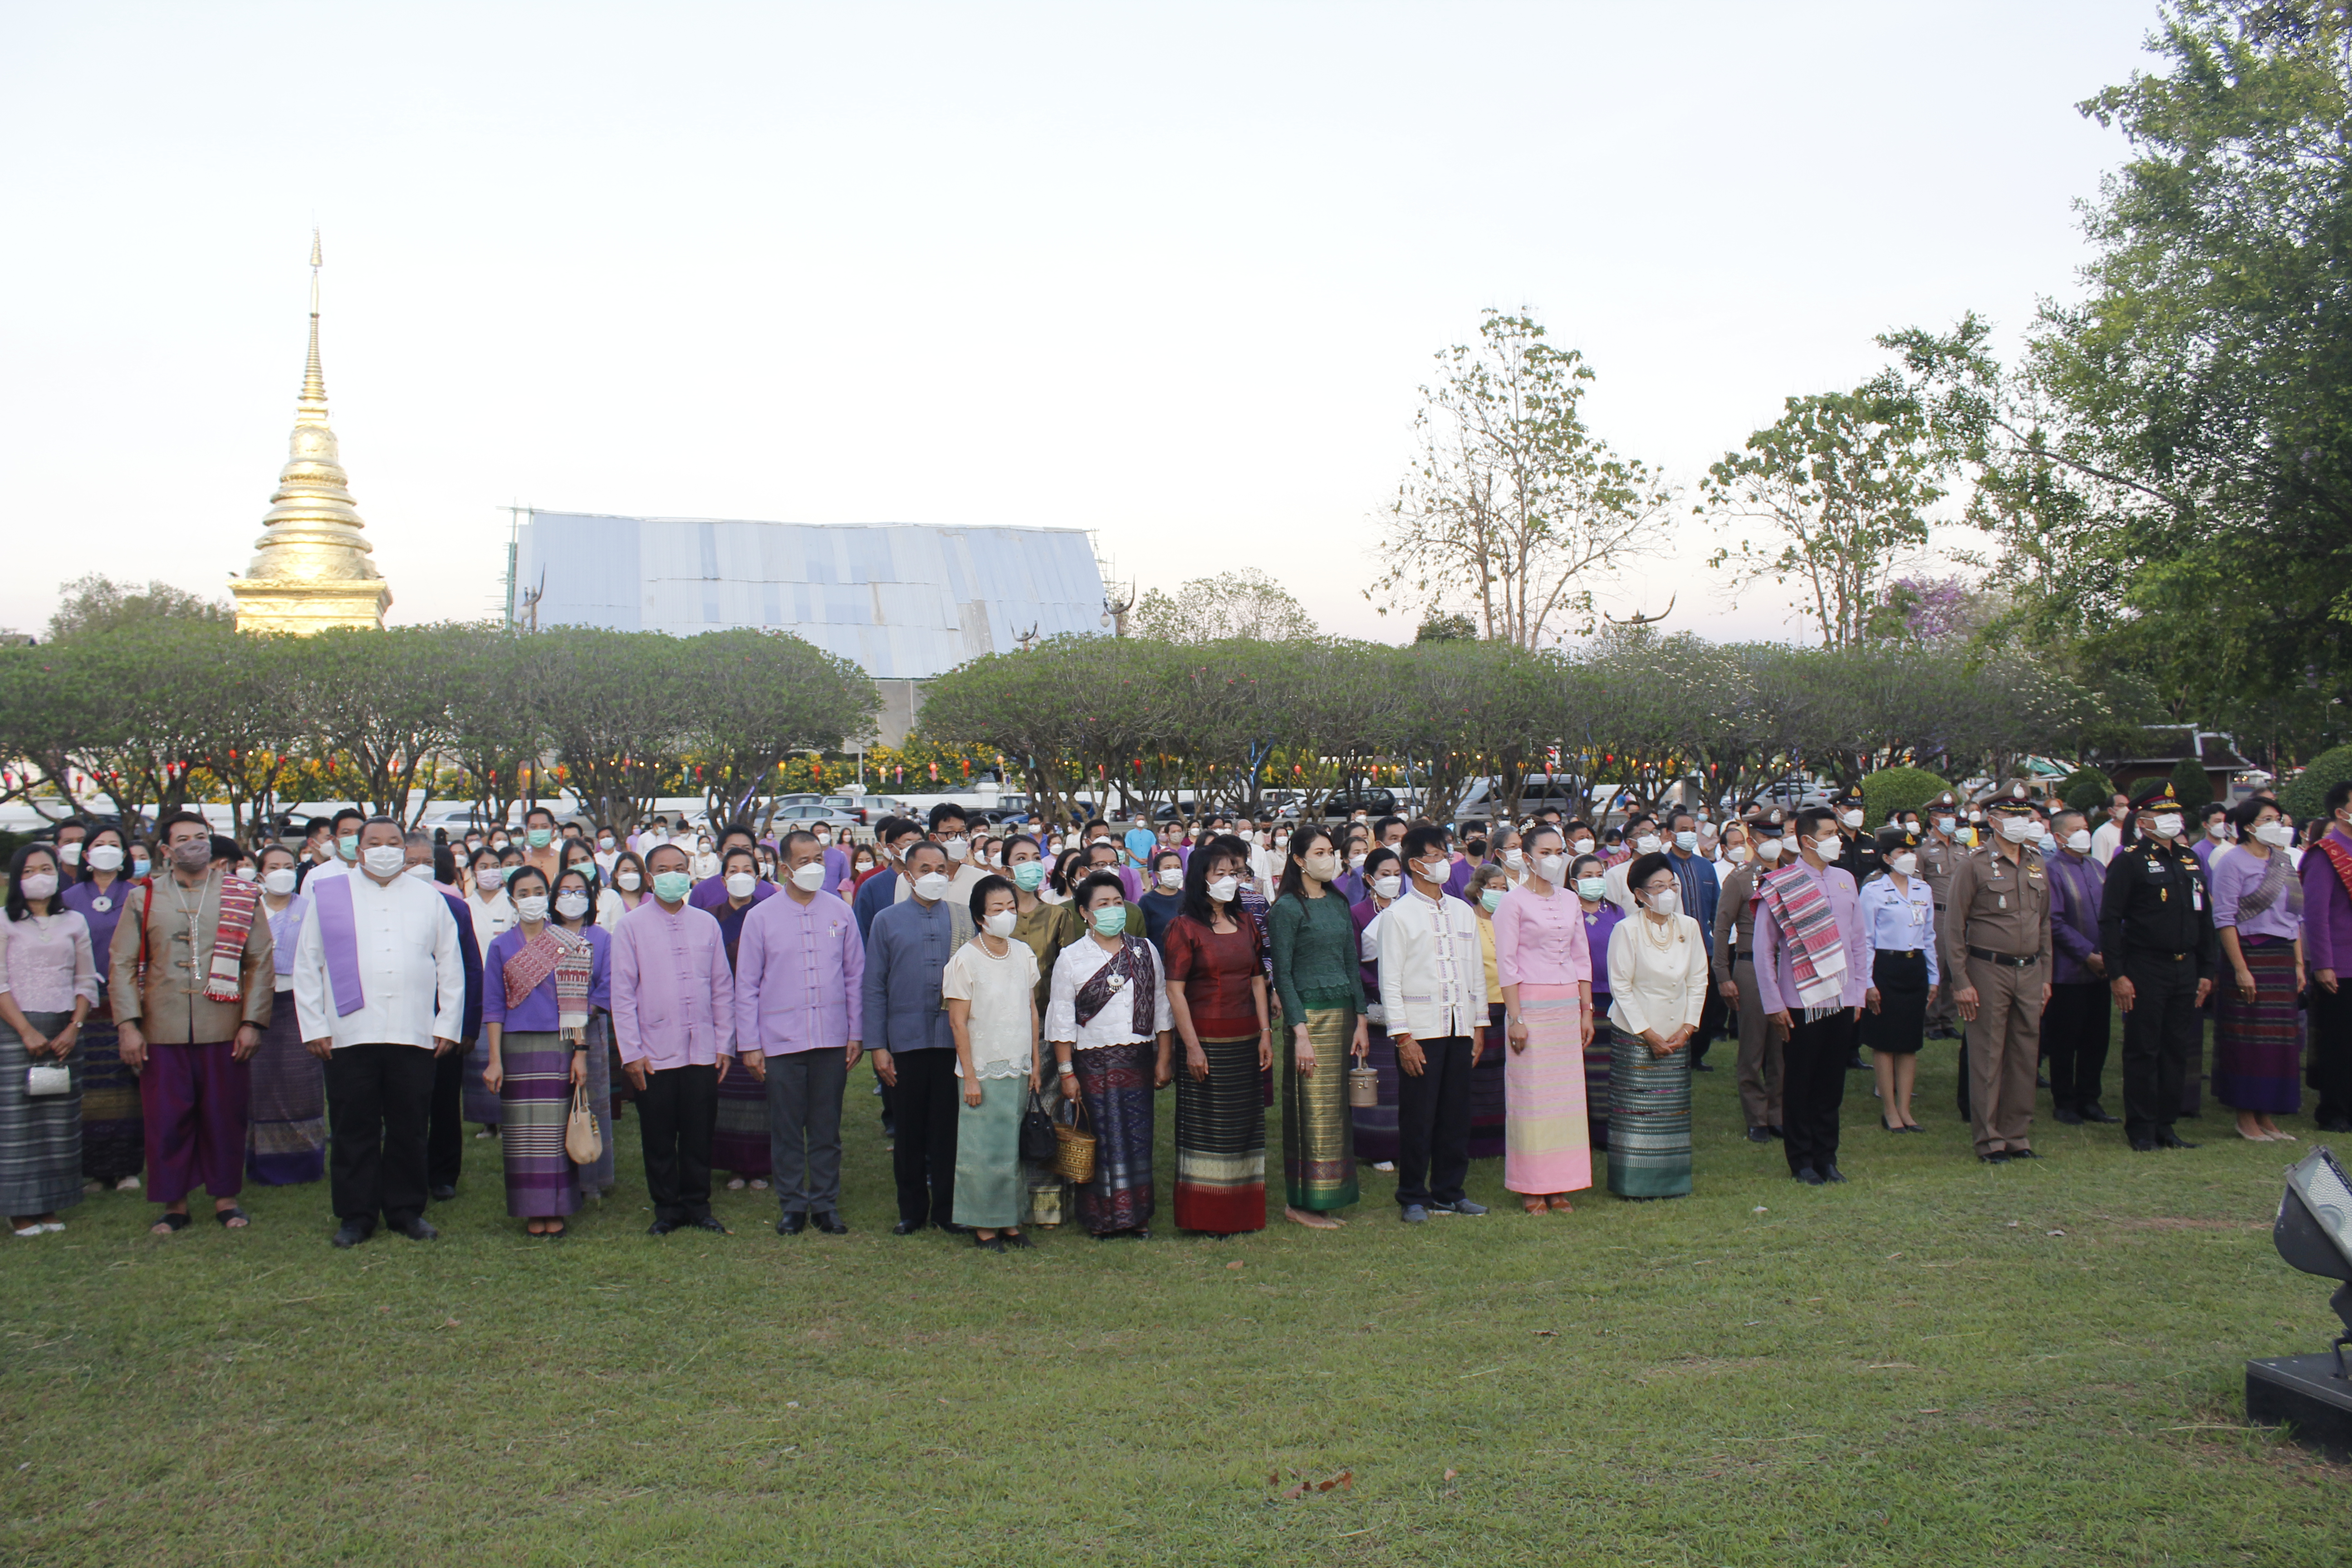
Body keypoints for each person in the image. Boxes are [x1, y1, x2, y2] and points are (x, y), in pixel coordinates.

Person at [292, 816, 467, 1246]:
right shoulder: (330, 896)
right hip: (349, 1031)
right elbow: (307, 963)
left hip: (413, 1030)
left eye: (393, 842)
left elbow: (450, 964)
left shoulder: (428, 898)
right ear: (358, 850)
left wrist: (448, 1023)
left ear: (405, 850)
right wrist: (314, 1025)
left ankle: (406, 1211)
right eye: (374, 842)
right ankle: (356, 1215)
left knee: (410, 1125)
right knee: (354, 1126)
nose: (384, 850)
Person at [109, 811, 274, 1234]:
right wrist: (128, 1025)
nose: (194, 845)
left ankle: (226, 1199)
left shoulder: (240, 894)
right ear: (167, 850)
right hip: (160, 1027)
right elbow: (122, 963)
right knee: (167, 1118)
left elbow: (259, 960)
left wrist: (253, 1022)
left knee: (225, 1114)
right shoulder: (144, 897)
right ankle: (175, 1204)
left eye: (201, 836)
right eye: (183, 839)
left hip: (224, 1024)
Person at [735, 829, 866, 1236]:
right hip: (780, 1040)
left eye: (819, 860)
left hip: (831, 1038)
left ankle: (825, 1204)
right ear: (784, 868)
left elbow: (855, 976)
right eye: (804, 861)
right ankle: (793, 1204)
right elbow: (747, 985)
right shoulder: (761, 917)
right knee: (787, 1128)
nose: (813, 868)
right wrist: (750, 1044)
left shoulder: (840, 912)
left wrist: (856, 1033)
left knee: (826, 1128)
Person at [612, 843, 735, 1234]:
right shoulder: (631, 926)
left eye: (680, 868)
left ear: (690, 873)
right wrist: (631, 1052)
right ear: (650, 879)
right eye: (664, 870)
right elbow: (622, 994)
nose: (673, 875)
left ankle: (698, 1205)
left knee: (699, 1132)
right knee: (659, 1134)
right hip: (653, 1051)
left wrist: (724, 1044)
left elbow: (722, 987)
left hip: (701, 1049)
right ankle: (667, 1208)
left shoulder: (706, 923)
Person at [1046, 870, 1175, 1239]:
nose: (1113, 910)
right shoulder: (1071, 958)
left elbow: (1162, 1008)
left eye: (1118, 902)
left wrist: (1164, 1058)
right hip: (1093, 1063)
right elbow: (1061, 1019)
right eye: (1103, 904)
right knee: (1102, 1139)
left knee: (1137, 1139)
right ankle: (1103, 1218)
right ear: (1085, 913)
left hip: (1138, 1060)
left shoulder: (1144, 950)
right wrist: (1067, 1073)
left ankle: (1137, 1216)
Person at [1377, 824, 1489, 1224]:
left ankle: (1449, 1193)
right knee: (1419, 1117)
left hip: (1460, 1026)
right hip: (1421, 1030)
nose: (1445, 862)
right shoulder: (1398, 915)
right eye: (1436, 856)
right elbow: (1390, 981)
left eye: (1446, 854)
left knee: (1456, 1114)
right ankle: (1412, 1195)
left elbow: (1476, 973)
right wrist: (1403, 1037)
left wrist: (1479, 1026)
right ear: (1415, 864)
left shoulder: (1462, 910)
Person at [2098, 782, 2218, 1152]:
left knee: (2176, 1048)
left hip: (2185, 966)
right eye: (2163, 814)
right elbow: (2110, 920)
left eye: (2175, 813)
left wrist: (2207, 970)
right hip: (2146, 966)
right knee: (2144, 1049)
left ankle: (2167, 1125)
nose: (2173, 820)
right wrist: (2118, 974)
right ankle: (2142, 1128)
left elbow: (2205, 918)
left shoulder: (2189, 859)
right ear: (2144, 821)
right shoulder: (2130, 860)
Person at [1752, 807, 1868, 1186]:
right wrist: (1773, 1003)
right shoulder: (1781, 884)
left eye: (1837, 833)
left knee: (1831, 1084)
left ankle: (1826, 1157)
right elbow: (1764, 950)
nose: (1837, 840)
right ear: (1806, 840)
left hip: (1842, 997)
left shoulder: (1846, 880)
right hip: (1800, 1000)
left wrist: (1859, 993)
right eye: (1830, 834)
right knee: (1800, 1082)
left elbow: (1859, 941)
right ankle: (1801, 1160)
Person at [1163, 840, 1272, 1237]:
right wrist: (1192, 1047)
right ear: (1201, 879)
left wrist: (1265, 1033)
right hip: (1205, 1040)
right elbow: (1175, 991)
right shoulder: (1184, 929)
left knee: (1244, 1125)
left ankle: (1242, 1211)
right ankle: (1206, 1216)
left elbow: (1257, 980)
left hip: (1246, 1038)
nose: (1230, 880)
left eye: (1234, 873)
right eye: (1220, 874)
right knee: (1208, 1128)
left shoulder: (1246, 923)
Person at [481, 865, 597, 1237]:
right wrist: (495, 1060)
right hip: (515, 1048)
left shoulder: (569, 942)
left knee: (556, 1132)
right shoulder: (500, 946)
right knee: (523, 1134)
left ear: (548, 896)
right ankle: (531, 1208)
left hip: (559, 1045)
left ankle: (558, 1207)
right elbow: (493, 1006)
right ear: (512, 899)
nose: (531, 899)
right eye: (523, 893)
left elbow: (578, 1006)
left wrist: (580, 1053)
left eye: (538, 892)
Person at [1941, 790, 2052, 1164]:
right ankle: (1989, 1140)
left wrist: (2047, 974)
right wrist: (1961, 981)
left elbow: (2044, 923)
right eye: (2012, 815)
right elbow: (1954, 928)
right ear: (1993, 821)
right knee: (1988, 1055)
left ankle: (2016, 1134)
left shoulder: (2036, 862)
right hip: (1988, 969)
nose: (2021, 822)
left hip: (2030, 970)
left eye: (2025, 815)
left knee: (2025, 1054)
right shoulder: (1974, 865)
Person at [863, 842, 967, 1234]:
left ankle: (947, 1209)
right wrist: (878, 1046)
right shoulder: (886, 921)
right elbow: (874, 986)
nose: (934, 876)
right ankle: (911, 1210)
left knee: (947, 1129)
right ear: (908, 875)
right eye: (925, 869)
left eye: (941, 868)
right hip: (904, 1042)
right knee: (908, 1130)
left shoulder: (963, 919)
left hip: (952, 1042)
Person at [1268, 826, 1368, 1230]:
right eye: (1321, 852)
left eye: (1332, 851)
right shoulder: (1287, 909)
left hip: (1343, 1016)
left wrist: (1361, 1020)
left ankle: (1330, 1196)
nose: (1330, 858)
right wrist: (1301, 1033)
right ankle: (1302, 1202)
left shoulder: (1339, 902)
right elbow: (1283, 975)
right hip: (1309, 1020)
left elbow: (1351, 963)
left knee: (1337, 1112)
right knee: (1309, 1111)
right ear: (1299, 860)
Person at [1492, 826, 1595, 1213]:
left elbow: (1581, 957)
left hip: (1567, 1005)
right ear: (1528, 858)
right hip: (1531, 1007)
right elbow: (1507, 964)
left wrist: (1586, 1010)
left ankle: (1563, 1183)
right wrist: (1515, 1017)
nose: (1554, 859)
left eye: (1559, 851)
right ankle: (1532, 1186)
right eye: (1545, 852)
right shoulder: (1512, 902)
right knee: (1532, 1098)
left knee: (1566, 1100)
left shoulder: (1571, 899)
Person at [1, 844, 98, 1237]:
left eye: (45, 869)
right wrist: (25, 1030)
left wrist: (74, 1028)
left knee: (59, 1120)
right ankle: (20, 1210)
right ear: (16, 878)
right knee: (17, 1121)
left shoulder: (74, 921)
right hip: (14, 1028)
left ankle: (51, 1202)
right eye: (28, 871)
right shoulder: (4, 922)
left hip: (64, 1030)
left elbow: (86, 979)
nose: (38, 877)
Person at [945, 874, 1042, 1250]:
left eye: (1011, 907)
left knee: (1011, 1149)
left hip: (1018, 1065)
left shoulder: (1023, 953)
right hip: (983, 1069)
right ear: (980, 917)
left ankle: (1011, 1222)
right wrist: (970, 1076)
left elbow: (1031, 1009)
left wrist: (1035, 1063)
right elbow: (958, 1022)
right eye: (997, 909)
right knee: (983, 1151)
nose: (1006, 915)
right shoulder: (965, 960)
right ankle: (984, 1226)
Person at [1603, 852, 1707, 1199]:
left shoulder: (1689, 926)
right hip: (1636, 1032)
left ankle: (1672, 1181)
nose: (1668, 893)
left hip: (1678, 1033)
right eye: (1658, 887)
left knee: (1672, 1110)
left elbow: (1698, 979)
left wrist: (1688, 1028)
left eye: (1672, 885)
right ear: (1640, 893)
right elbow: (1621, 986)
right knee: (1638, 1111)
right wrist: (1647, 1034)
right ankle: (1633, 1183)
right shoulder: (1626, 929)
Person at [2209, 794, 2303, 1142]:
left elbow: (2295, 916)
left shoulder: (2283, 861)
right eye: (2268, 820)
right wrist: (2240, 968)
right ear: (2249, 827)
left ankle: (2268, 1115)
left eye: (2278, 819)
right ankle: (2245, 1116)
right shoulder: (2232, 862)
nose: (2276, 825)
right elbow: (2225, 918)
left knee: (2279, 1042)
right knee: (2249, 1040)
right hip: (2249, 955)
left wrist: (2298, 963)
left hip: (2282, 957)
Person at [60, 820, 141, 1190]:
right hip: (85, 1004)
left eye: (114, 844)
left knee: (127, 1082)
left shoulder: (139, 894)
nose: (106, 849)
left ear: (124, 855)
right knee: (90, 1085)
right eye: (99, 844)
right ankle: (94, 1169)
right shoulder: (69, 898)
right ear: (87, 855)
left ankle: (127, 1167)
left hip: (128, 999)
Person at [246, 844, 327, 1186]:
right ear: (261, 874)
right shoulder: (247, 910)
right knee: (260, 1084)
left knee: (302, 1082)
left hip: (299, 1002)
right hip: (257, 1004)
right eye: (274, 867)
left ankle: (305, 1162)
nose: (282, 872)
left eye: (288, 866)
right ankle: (263, 1163)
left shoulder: (311, 910)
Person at [703, 845, 774, 1192]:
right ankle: (733, 1166)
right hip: (721, 1012)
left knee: (760, 1090)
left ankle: (759, 1166)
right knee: (727, 1091)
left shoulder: (769, 913)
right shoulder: (709, 918)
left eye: (748, 870)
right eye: (734, 870)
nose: (741, 876)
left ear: (759, 878)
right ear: (723, 879)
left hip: (763, 1012)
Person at [1859, 826, 1938, 1133]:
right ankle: (1889, 1110)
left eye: (1911, 852)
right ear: (1887, 858)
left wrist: (1934, 976)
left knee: (1909, 1042)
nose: (1909, 857)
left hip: (1914, 967)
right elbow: (1865, 939)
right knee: (1885, 1042)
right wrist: (1868, 983)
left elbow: (1928, 936)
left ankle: (1905, 1109)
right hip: (1885, 967)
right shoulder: (1874, 891)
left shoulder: (1923, 890)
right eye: (1903, 852)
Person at [2043, 809, 2116, 1126]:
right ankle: (2064, 1101)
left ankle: (2090, 1098)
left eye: (2085, 827)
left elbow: (2111, 913)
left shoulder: (2097, 867)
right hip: (2068, 971)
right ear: (2059, 837)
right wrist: (2087, 954)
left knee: (2097, 1038)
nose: (2083, 834)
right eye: (2075, 830)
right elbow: (2054, 922)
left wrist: (2109, 954)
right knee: (2065, 1040)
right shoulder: (2051, 871)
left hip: (2101, 970)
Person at [1713, 814, 1780, 1143]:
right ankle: (1757, 1117)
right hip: (1751, 965)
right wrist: (1723, 975)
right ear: (1753, 841)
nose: (1774, 843)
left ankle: (1778, 1113)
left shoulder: (1792, 875)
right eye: (1767, 838)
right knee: (1753, 1045)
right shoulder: (1741, 879)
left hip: (1785, 967)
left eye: (1778, 836)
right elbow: (1722, 927)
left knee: (1783, 1046)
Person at [549, 864, 615, 1197]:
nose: (572, 897)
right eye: (565, 891)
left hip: (590, 1030)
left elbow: (609, 984)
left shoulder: (602, 938)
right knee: (555, 1104)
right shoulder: (543, 936)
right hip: (550, 1031)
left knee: (591, 1102)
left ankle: (592, 1179)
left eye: (579, 891)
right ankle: (557, 1178)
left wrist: (580, 1011)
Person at [2302, 781, 2352, 1133]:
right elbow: (2315, 914)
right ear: (2341, 812)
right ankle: (2334, 1110)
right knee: (2339, 1040)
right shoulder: (2326, 852)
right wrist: (2323, 964)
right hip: (2341, 961)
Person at [1569, 853, 1625, 1155]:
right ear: (1574, 882)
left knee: (1611, 1068)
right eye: (1588, 876)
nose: (1595, 881)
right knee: (1585, 1069)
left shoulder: (1617, 912)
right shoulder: (1567, 912)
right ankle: (1584, 1131)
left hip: (1614, 999)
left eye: (1599, 874)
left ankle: (1610, 1129)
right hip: (1580, 1002)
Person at [1661, 810, 1723, 1072]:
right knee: (1675, 1000)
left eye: (1691, 830)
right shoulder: (1662, 866)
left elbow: (1717, 906)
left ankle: (1697, 1054)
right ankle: (1675, 1050)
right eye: (1683, 830)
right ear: (1670, 834)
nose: (1689, 834)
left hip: (1704, 946)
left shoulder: (1705, 866)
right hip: (1671, 948)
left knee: (1704, 1002)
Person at [1465, 862, 1513, 1161]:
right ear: (1479, 890)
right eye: (1493, 887)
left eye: (1503, 888)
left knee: (1504, 1076)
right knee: (1481, 1075)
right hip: (1482, 1007)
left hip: (1510, 1005)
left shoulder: (1511, 920)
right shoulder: (1469, 920)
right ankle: (1478, 1140)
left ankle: (1503, 1138)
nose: (1499, 893)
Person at [1917, 791, 1967, 1041]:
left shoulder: (1962, 848)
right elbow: (1919, 885)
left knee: (1954, 967)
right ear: (1934, 819)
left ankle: (1948, 1019)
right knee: (1936, 966)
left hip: (1961, 915)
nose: (1950, 819)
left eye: (1952, 814)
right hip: (1937, 913)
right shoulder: (1924, 851)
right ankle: (1931, 1021)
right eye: (1944, 814)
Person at [1138, 849, 1186, 952]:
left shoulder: (1188, 898)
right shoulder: (1147, 901)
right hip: (1159, 957)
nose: (1173, 871)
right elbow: (1141, 937)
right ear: (1157, 874)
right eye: (1168, 868)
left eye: (1177, 867)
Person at [598, 849, 650, 930]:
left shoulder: (653, 900)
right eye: (625, 871)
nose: (630, 875)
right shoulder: (609, 900)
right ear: (616, 874)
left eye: (636, 871)